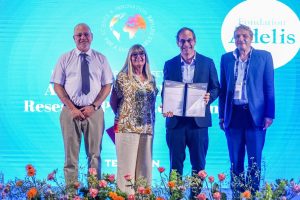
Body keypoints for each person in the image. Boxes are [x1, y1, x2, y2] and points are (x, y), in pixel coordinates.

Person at [50, 23, 114, 184]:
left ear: (92, 37)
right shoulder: (64, 58)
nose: (83, 38)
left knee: (95, 155)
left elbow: (107, 85)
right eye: (79, 35)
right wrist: (72, 109)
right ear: (74, 38)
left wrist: (94, 106)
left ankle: (94, 191)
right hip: (70, 112)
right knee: (71, 156)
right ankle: (71, 192)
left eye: (86, 34)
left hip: (94, 112)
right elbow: (57, 85)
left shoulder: (101, 59)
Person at [162, 27, 220, 198]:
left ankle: (195, 196)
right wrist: (165, 107)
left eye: (189, 40)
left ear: (194, 41)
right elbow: (166, 90)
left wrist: (210, 97)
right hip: (176, 123)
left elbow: (216, 88)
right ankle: (175, 195)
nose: (186, 44)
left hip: (198, 123)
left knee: (198, 164)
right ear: (177, 43)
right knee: (175, 164)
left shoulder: (207, 62)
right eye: (182, 41)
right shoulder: (169, 63)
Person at [219, 24, 275, 197]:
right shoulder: (226, 58)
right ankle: (237, 194)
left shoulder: (264, 57)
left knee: (254, 160)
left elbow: (269, 87)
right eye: (237, 36)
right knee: (236, 161)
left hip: (255, 116)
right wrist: (222, 116)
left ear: (251, 38)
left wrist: (269, 114)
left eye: (244, 36)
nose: (240, 39)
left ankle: (252, 194)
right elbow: (223, 89)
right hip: (233, 115)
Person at [110, 44, 158, 194]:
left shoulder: (152, 79)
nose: (139, 57)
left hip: (147, 129)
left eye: (142, 54)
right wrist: (124, 116)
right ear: (129, 58)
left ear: (146, 57)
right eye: (134, 54)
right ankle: (124, 197)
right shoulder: (122, 77)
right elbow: (113, 101)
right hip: (126, 129)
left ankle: (142, 197)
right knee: (126, 170)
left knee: (144, 170)